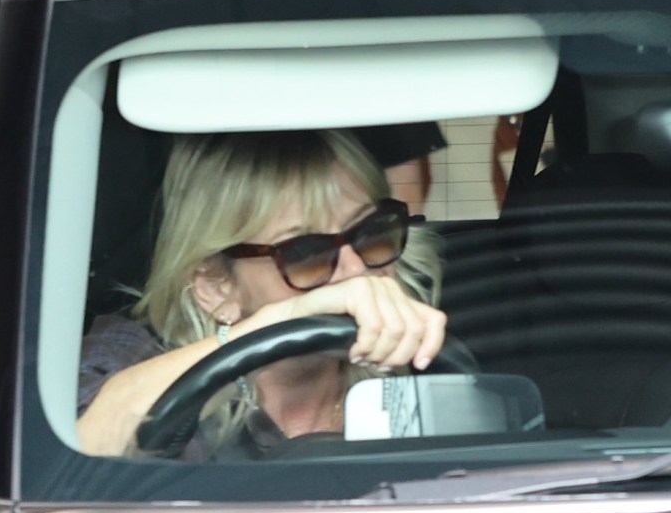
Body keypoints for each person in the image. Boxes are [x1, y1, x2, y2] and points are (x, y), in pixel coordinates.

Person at [76, 129, 447, 458]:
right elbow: (72, 454)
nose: (355, 270)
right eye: (307, 254)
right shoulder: (132, 353)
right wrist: (281, 326)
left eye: (373, 233)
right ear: (216, 287)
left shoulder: (427, 354)